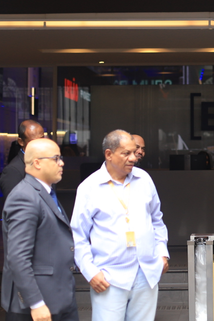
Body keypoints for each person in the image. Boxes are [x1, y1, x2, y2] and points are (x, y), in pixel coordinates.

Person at [71, 130, 170, 321]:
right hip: (109, 277)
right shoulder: (89, 187)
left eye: (134, 152)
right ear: (109, 154)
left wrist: (162, 253)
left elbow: (157, 220)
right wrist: (90, 272)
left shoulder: (144, 179)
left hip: (146, 273)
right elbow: (78, 236)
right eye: (126, 153)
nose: (133, 158)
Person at [1, 138, 78, 321]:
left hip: (59, 298)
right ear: (37, 163)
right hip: (38, 305)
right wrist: (35, 303)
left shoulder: (45, 192)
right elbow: (18, 257)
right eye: (56, 158)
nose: (62, 163)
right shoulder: (24, 197)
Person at [0, 120, 45, 201]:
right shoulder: (13, 170)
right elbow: (15, 204)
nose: (40, 144)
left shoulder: (45, 161)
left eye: (42, 139)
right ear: (21, 142)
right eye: (33, 141)